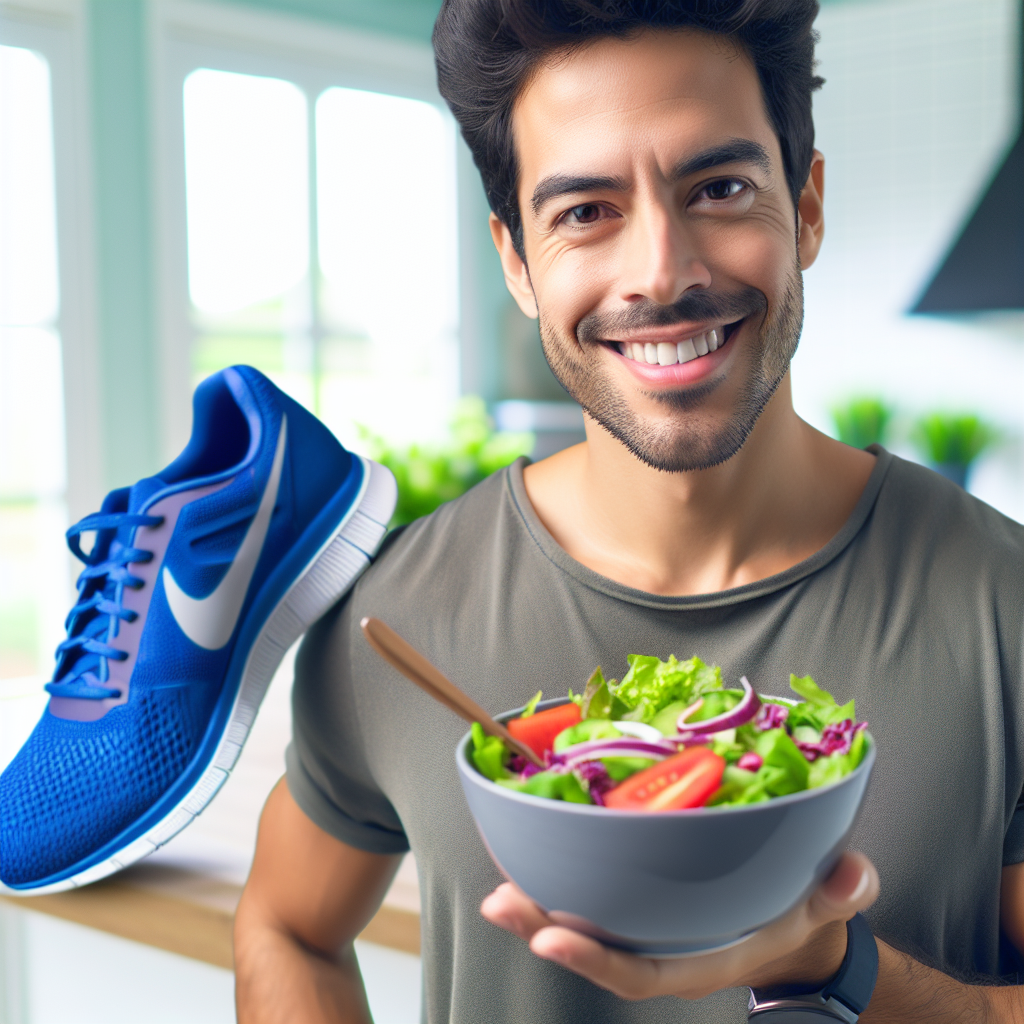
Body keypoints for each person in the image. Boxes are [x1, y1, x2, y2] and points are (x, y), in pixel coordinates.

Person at [233, 2, 1024, 1021]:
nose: (663, 270)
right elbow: (286, 927)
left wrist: (833, 964)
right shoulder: (394, 616)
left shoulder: (1004, 605)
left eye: (720, 187)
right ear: (516, 259)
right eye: (584, 211)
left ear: (809, 206)